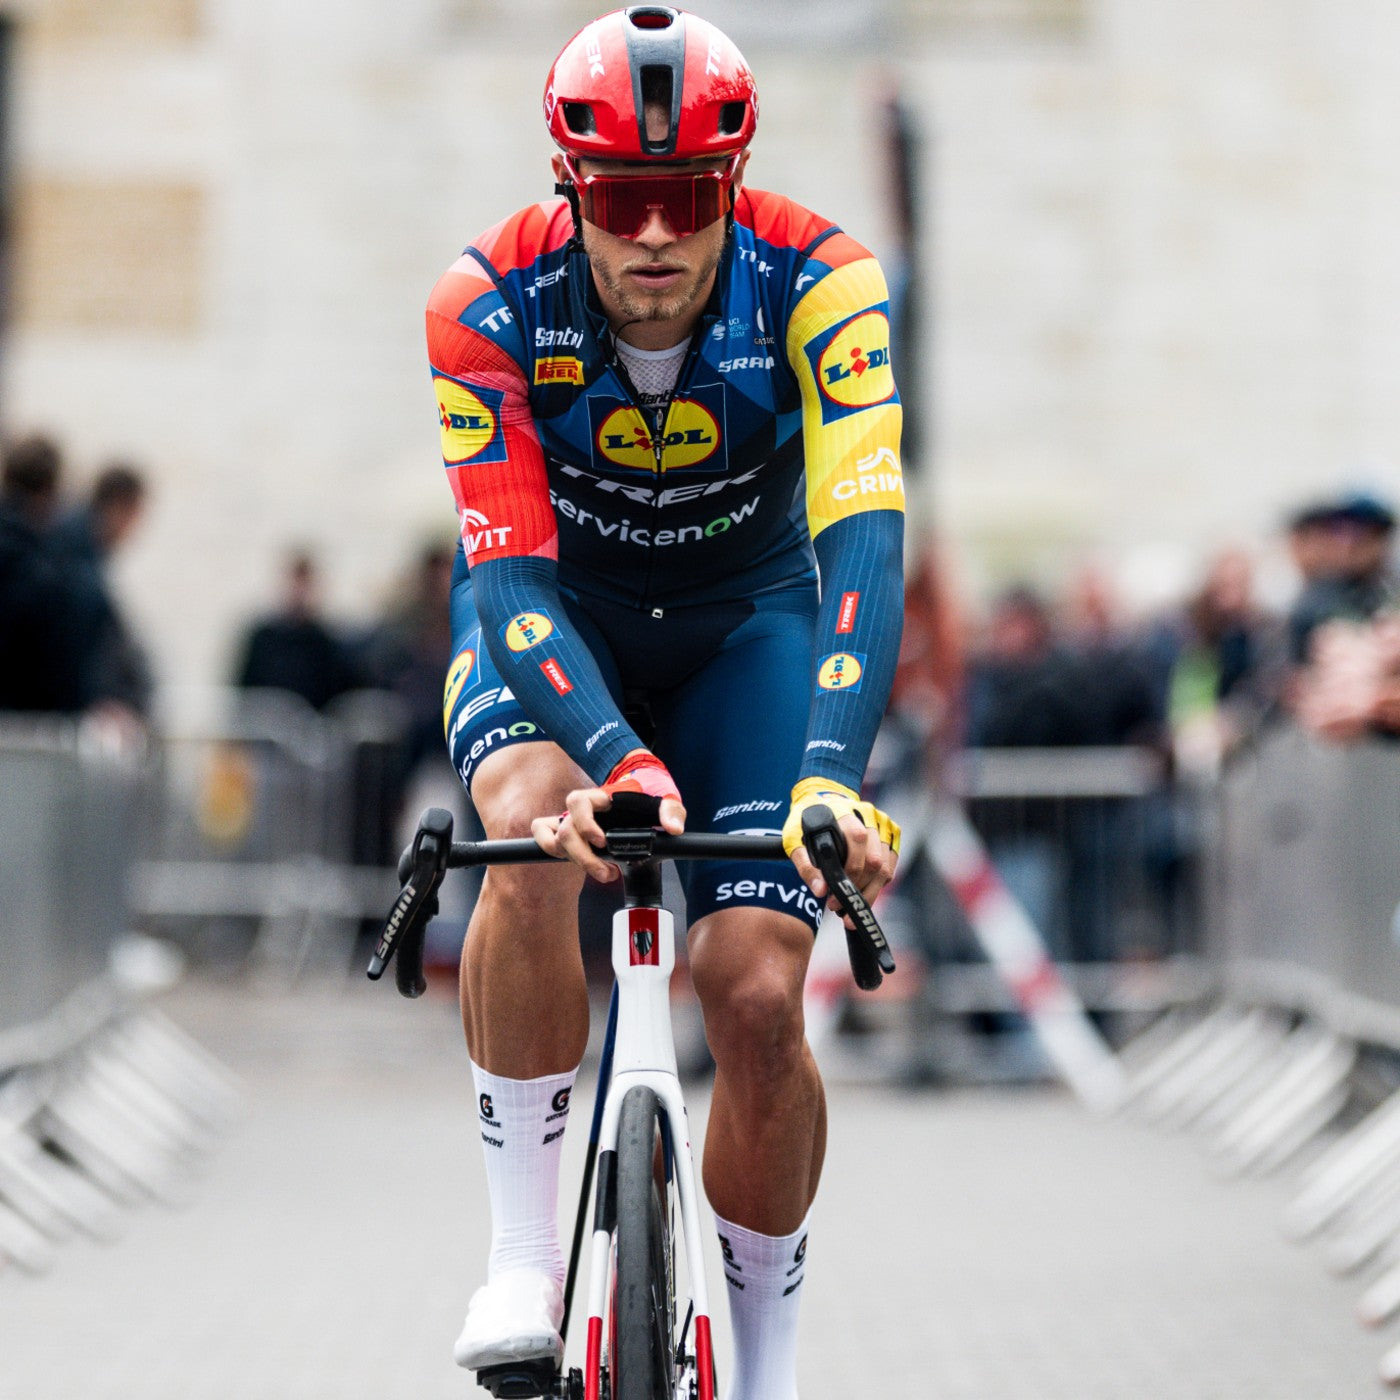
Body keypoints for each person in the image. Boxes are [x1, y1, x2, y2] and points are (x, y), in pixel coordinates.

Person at [426, 10, 904, 1399]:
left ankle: (768, 1367)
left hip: (748, 630)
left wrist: (825, 775)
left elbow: (861, 541)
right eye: (621, 201)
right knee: (526, 834)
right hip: (554, 621)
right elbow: (508, 579)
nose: (651, 238)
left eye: (686, 200)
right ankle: (523, 1257)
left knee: (752, 993)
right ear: (571, 189)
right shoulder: (486, 298)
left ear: (732, 188)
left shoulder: (823, 278)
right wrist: (612, 761)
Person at [231, 549, 362, 711]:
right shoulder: (264, 638)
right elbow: (245, 690)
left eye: (305, 584)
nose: (300, 592)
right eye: (296, 583)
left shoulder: (326, 643)